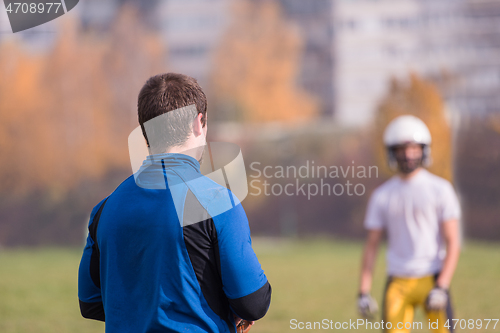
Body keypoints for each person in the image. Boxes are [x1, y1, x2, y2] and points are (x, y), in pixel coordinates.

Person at [78, 73, 271, 333]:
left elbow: (90, 302)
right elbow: (253, 302)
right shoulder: (218, 202)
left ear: (145, 130)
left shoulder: (104, 209)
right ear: (198, 123)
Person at [358, 115, 461, 333]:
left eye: (413, 148)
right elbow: (371, 246)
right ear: (391, 152)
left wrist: (442, 286)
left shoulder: (440, 189)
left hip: (432, 278)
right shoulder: (382, 196)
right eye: (401, 149)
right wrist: (363, 292)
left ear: (424, 150)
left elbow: (453, 242)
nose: (408, 155)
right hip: (398, 282)